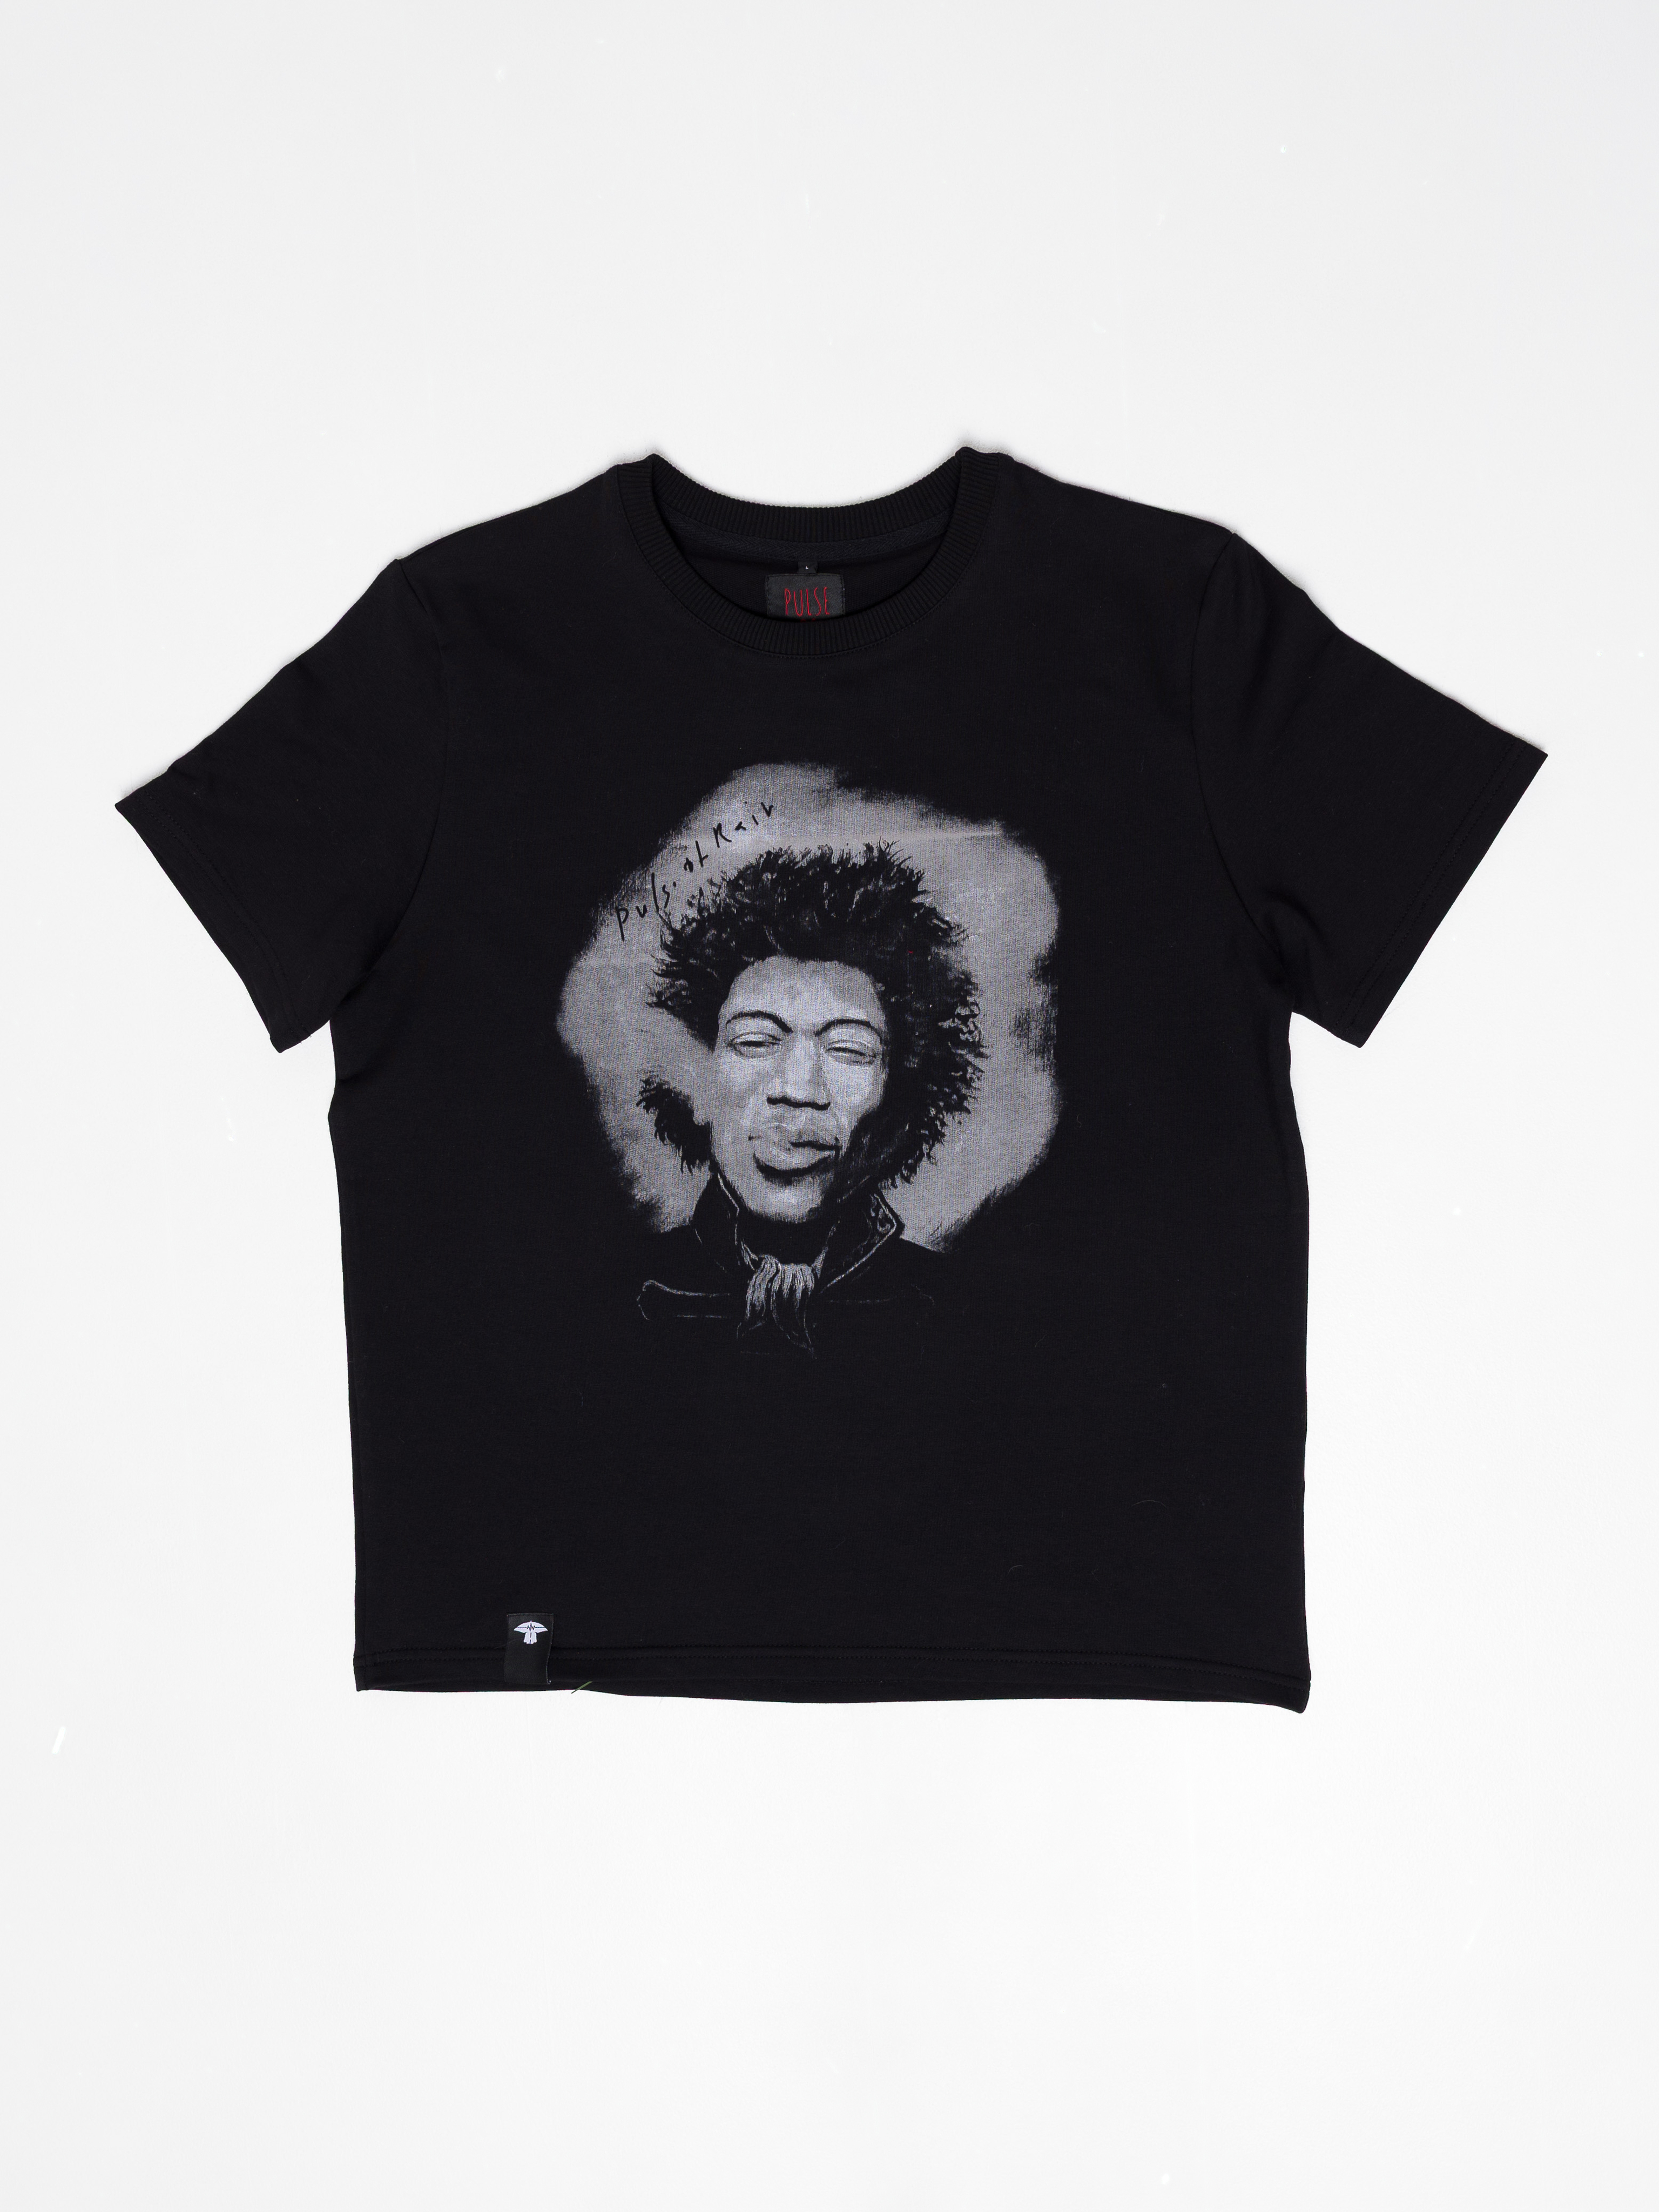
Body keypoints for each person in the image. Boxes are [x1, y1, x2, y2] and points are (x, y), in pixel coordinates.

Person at [636, 844, 982, 1354]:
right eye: (755, 1041)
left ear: (899, 1102)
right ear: (696, 1082)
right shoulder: (615, 1299)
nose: (798, 1091)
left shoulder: (960, 1313)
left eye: (849, 1049)